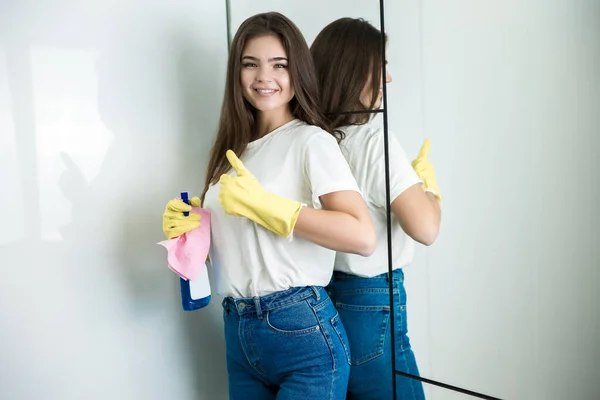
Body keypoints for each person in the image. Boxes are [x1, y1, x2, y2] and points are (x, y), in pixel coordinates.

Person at [162, 12, 377, 400]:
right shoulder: (231, 153)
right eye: (251, 64)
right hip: (238, 332)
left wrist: (271, 208)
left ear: (298, 72)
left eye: (279, 65)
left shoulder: (311, 142)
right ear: (237, 74)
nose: (264, 77)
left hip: (302, 332)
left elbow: (362, 236)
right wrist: (190, 236)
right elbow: (242, 253)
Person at [311, 17, 443, 400]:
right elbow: (426, 229)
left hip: (323, 298)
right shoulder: (373, 139)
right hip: (371, 301)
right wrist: (431, 189)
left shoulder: (314, 140)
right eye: (379, 66)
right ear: (354, 71)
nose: (387, 79)